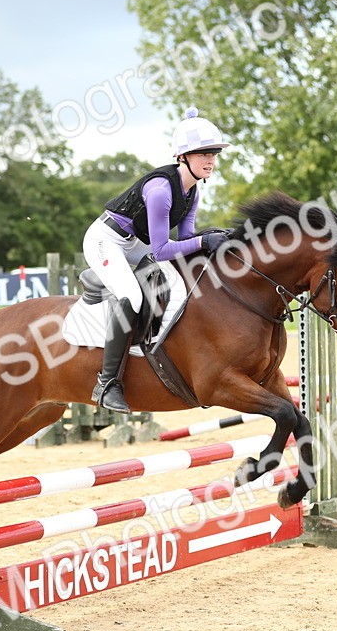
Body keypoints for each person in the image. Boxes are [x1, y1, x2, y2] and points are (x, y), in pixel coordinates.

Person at [82, 107, 231, 413]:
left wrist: (212, 238)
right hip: (105, 241)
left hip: (134, 243)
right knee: (133, 296)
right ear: (183, 157)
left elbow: (186, 237)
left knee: (175, 275)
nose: (211, 161)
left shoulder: (192, 193)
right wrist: (204, 241)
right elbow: (164, 249)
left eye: (213, 154)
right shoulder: (162, 190)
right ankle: (107, 384)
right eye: (203, 154)